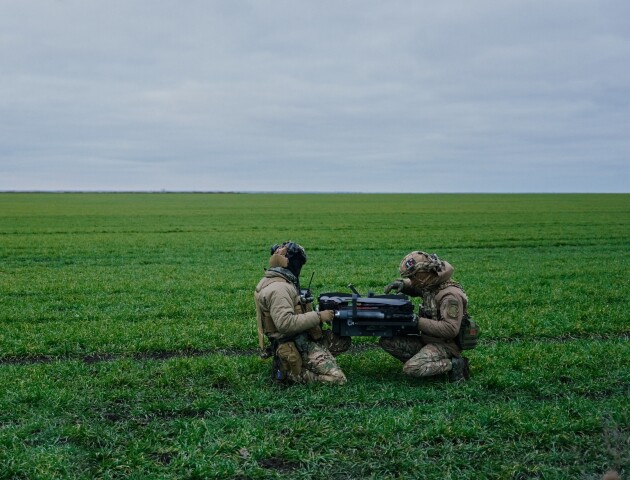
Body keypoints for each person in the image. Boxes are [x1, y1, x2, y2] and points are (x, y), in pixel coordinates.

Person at [254, 241, 349, 385]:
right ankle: (292, 372)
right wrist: (319, 316)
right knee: (338, 379)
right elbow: (285, 324)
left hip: (301, 337)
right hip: (294, 342)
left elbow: (287, 306)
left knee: (342, 341)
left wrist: (301, 301)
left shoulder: (277, 281)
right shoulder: (279, 289)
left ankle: (309, 361)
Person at [380, 251, 471, 382]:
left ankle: (455, 364)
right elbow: (415, 288)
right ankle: (427, 361)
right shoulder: (431, 284)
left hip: (445, 345)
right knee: (387, 341)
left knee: (412, 368)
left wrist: (416, 321)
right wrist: (403, 284)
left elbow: (450, 329)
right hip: (427, 339)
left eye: (413, 277)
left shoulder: (450, 296)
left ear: (423, 274)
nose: (412, 281)